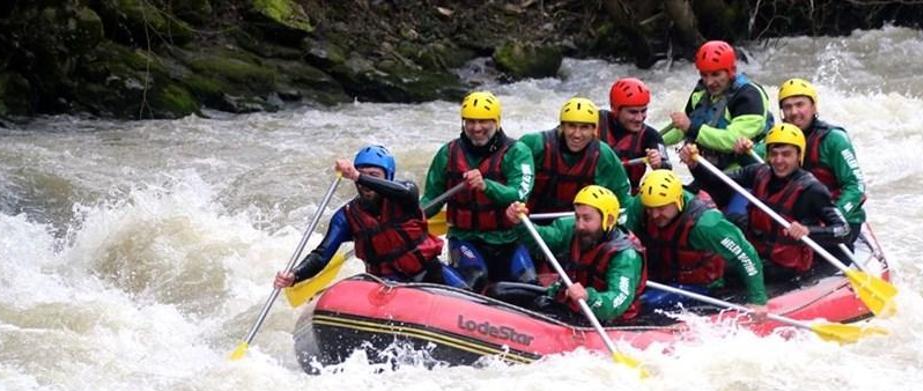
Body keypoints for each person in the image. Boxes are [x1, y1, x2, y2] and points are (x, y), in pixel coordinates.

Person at [274, 145, 464, 290]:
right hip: (387, 284)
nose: (366, 183)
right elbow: (321, 255)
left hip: (430, 273)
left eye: (373, 175)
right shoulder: (346, 217)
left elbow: (405, 192)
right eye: (363, 175)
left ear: (388, 176)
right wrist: (295, 276)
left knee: (468, 293)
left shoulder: (405, 196)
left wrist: (358, 176)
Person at [682, 123, 851, 282]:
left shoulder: (812, 189)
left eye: (786, 154)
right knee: (728, 223)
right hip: (757, 247)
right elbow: (718, 182)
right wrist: (695, 165)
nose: (778, 160)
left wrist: (808, 231)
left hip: (785, 265)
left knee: (719, 268)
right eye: (774, 154)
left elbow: (843, 230)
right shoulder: (759, 172)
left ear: (799, 156)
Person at [422, 91, 537, 292]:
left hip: (508, 240)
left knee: (529, 285)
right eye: (470, 122)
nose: (476, 128)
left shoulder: (518, 152)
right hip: (465, 239)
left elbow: (519, 194)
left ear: (497, 122)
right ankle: (433, 271)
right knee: (475, 278)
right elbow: (432, 198)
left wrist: (486, 185)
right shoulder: (447, 154)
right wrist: (408, 215)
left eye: (484, 122)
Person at [622, 170, 768, 317]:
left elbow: (744, 255)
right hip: (660, 274)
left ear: (678, 201)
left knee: (645, 304)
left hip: (697, 285)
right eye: (650, 209)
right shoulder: (640, 205)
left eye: (661, 209)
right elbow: (621, 240)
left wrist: (758, 300)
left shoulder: (707, 224)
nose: (654, 215)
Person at [503, 185, 646, 325]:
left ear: (608, 220)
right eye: (577, 217)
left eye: (587, 218)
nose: (580, 225)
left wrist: (588, 297)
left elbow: (618, 300)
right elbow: (542, 239)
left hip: (604, 318)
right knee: (499, 291)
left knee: (544, 311)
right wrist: (521, 223)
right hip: (569, 300)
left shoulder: (626, 255)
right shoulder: (571, 228)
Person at [663, 40, 774, 219]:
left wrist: (691, 128)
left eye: (715, 75)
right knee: (670, 208)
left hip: (745, 177)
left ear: (731, 71)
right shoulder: (701, 92)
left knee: (734, 221)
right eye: (704, 75)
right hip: (710, 175)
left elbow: (732, 140)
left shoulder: (749, 96)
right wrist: (654, 140)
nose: (709, 82)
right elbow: (683, 126)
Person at [771, 78, 867, 249]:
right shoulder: (778, 138)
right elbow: (758, 164)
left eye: (800, 104)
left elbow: (856, 186)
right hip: (803, 217)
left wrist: (833, 218)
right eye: (787, 107)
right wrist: (743, 148)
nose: (794, 112)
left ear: (813, 107)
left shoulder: (835, 139)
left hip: (839, 220)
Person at [519, 96, 634, 216]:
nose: (577, 134)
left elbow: (624, 200)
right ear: (562, 126)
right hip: (530, 221)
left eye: (584, 127)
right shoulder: (535, 144)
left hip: (578, 225)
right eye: (572, 126)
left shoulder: (603, 155)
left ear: (594, 130)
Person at [598, 77, 671, 192]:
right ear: (614, 109)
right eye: (633, 112)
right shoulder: (594, 122)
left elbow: (667, 167)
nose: (639, 118)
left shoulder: (650, 135)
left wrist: (659, 164)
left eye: (643, 111)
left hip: (626, 198)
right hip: (590, 195)